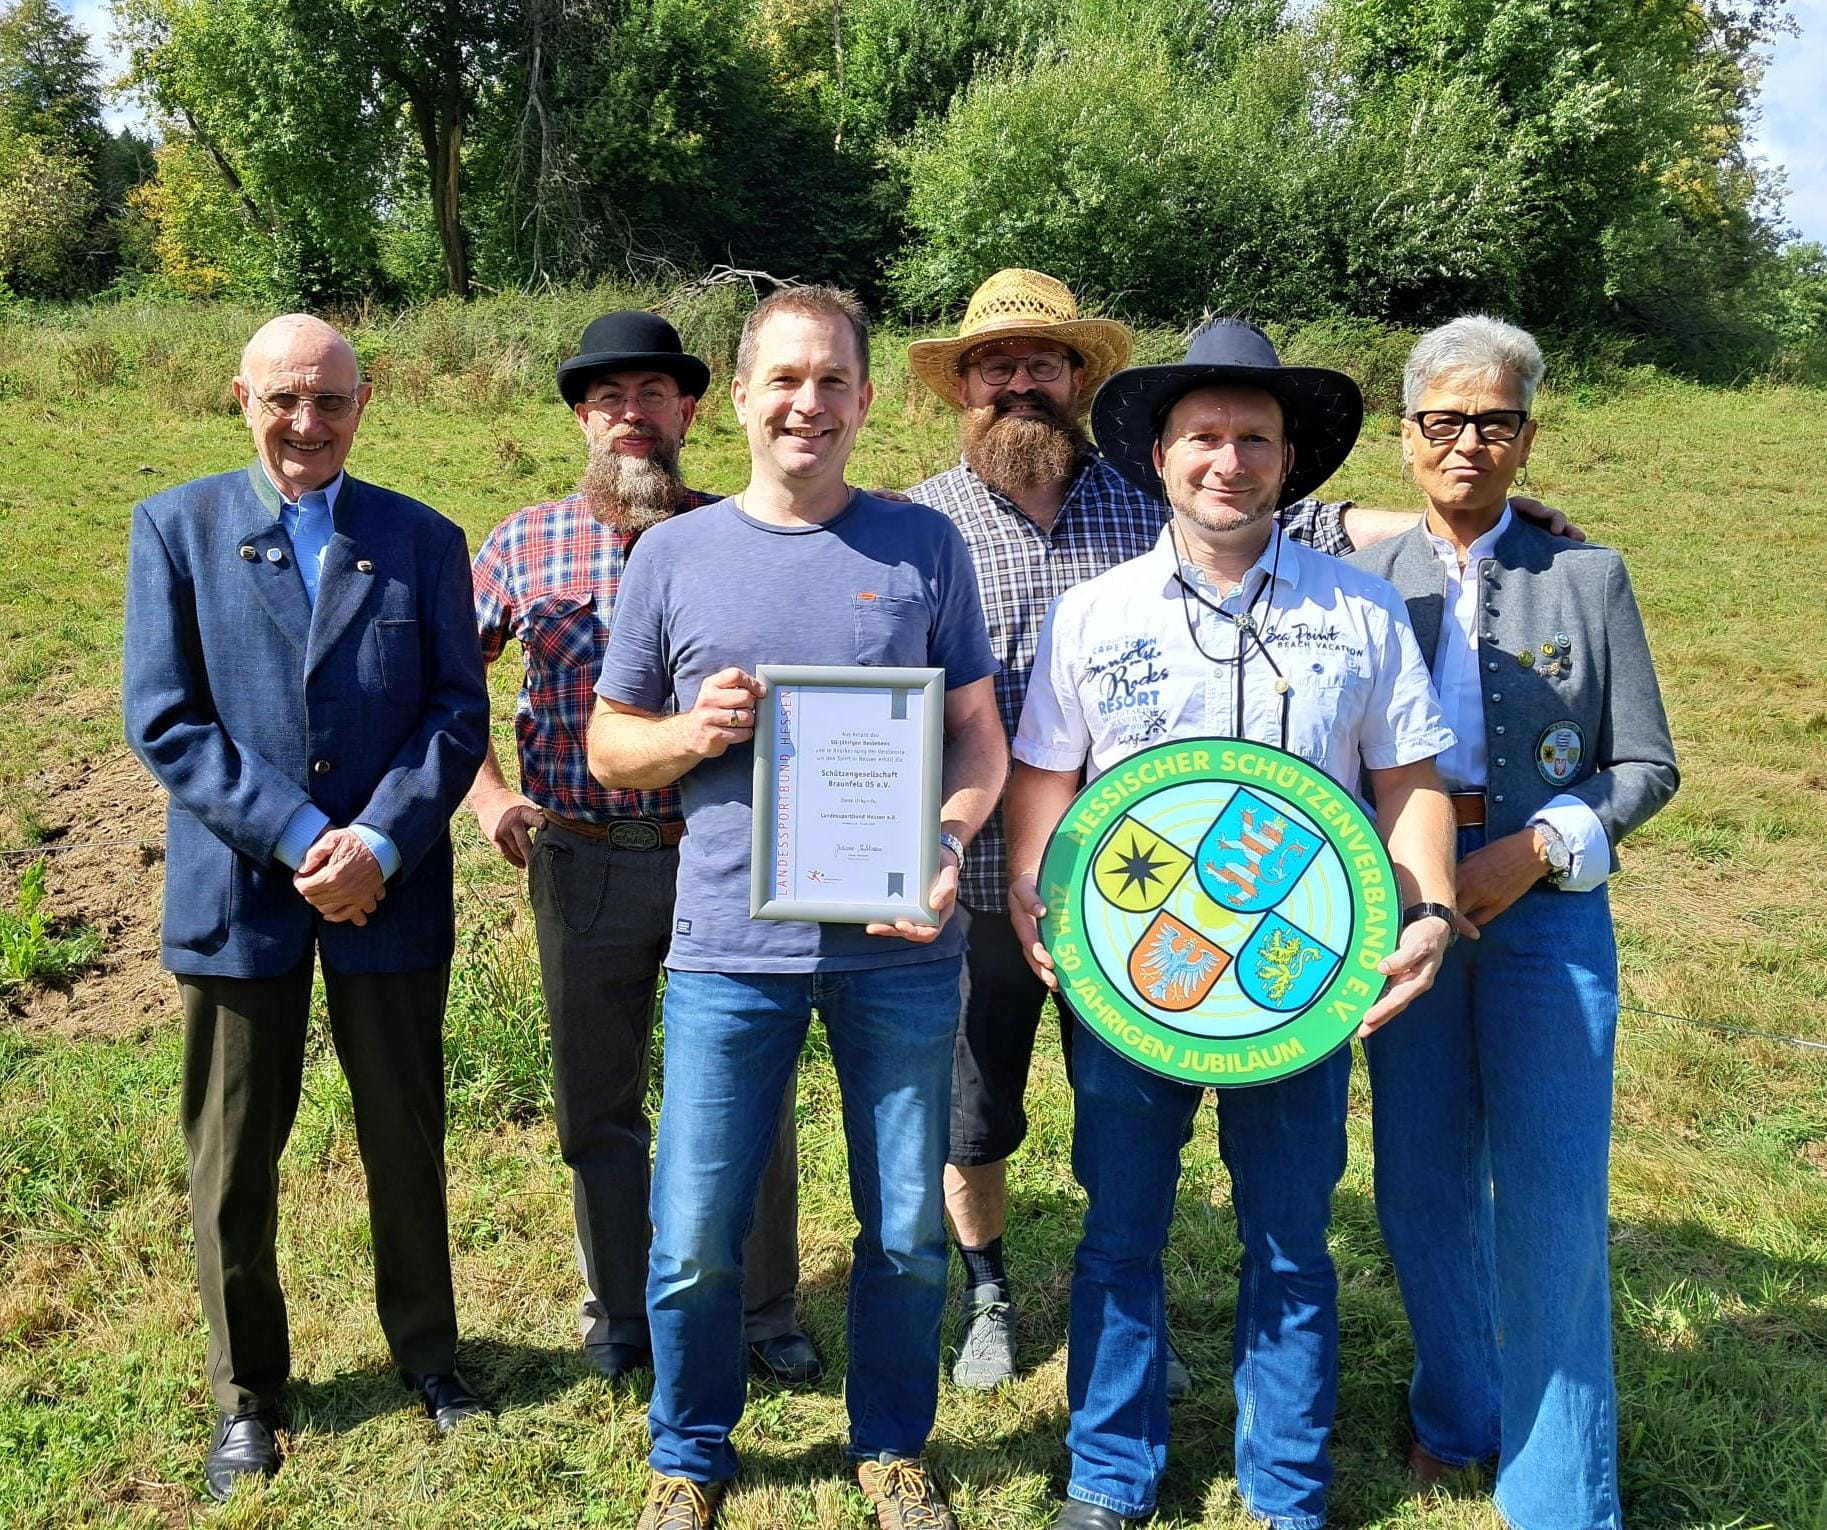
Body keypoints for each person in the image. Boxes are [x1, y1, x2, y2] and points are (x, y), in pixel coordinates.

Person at [903, 268, 1574, 1394]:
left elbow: (1289, 515)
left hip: (1185, 913)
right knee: (990, 1118)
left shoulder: (1148, 499)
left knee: (1213, 1180)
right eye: (997, 364)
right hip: (990, 868)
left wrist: (1478, 516)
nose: (1021, 381)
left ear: (1080, 381)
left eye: (1044, 362)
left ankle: (1243, 1439)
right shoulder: (921, 523)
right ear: (965, 384)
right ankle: (1007, 1315)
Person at [1003, 319, 1461, 1530]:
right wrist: (1025, 884)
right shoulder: (1092, 613)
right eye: (1204, 435)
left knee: (1293, 1244)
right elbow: (1048, 780)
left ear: (1289, 459)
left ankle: (1289, 1485)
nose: (1229, 460)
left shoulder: (1361, 613)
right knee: (1119, 1235)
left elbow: (1409, 785)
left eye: (1254, 438)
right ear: (1158, 454)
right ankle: (1108, 1477)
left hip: (1301, 983)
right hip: (1131, 981)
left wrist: (1431, 908)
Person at [588, 285, 1007, 1530]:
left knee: (904, 1233)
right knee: (696, 1233)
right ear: (742, 398)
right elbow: (612, 748)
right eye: (784, 379)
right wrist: (688, 733)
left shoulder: (924, 546)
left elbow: (978, 739)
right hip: (729, 947)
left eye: (832, 381)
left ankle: (889, 1446)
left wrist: (943, 839)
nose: (807, 403)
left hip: (898, 949)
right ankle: (690, 1452)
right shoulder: (674, 553)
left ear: (866, 400)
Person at [122, 314, 491, 1501]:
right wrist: (297, 839)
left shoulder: (423, 539)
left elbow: (454, 713)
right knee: (233, 1158)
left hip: (388, 890)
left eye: (330, 402)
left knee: (404, 1134)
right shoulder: (175, 531)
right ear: (240, 396)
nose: (306, 424)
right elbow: (167, 719)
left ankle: (430, 1358)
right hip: (240, 894)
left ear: (365, 402)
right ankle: (248, 1396)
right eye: (284, 399)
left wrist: (377, 839)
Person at [1347, 315, 1677, 1530]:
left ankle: (1559, 1495)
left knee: (1547, 1200)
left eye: (1494, 423)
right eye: (1444, 423)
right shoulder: (1363, 586)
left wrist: (1535, 851)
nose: (1468, 446)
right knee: (1421, 1184)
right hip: (1400, 918)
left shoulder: (1587, 577)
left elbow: (1644, 764)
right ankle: (1458, 1412)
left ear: (1528, 436)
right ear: (1406, 440)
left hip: (1544, 928)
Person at [467, 312, 820, 1389]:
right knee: (597, 1098)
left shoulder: (738, 533)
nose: (632, 413)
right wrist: (485, 794)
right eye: (610, 396)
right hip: (582, 854)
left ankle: (762, 1306)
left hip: (723, 854)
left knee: (747, 1085)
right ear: (583, 415)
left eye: (653, 395)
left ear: (689, 411)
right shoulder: (525, 542)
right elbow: (444, 682)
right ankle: (621, 1309)